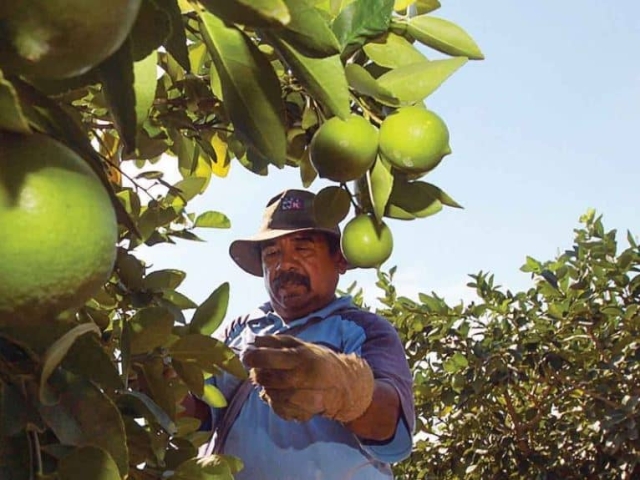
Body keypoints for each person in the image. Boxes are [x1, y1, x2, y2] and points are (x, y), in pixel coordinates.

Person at [191, 188, 415, 479]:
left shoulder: (363, 329)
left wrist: (345, 389)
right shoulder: (239, 330)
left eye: (303, 248)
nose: (285, 264)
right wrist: (160, 376)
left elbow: (391, 431)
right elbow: (198, 417)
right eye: (272, 253)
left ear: (340, 260)